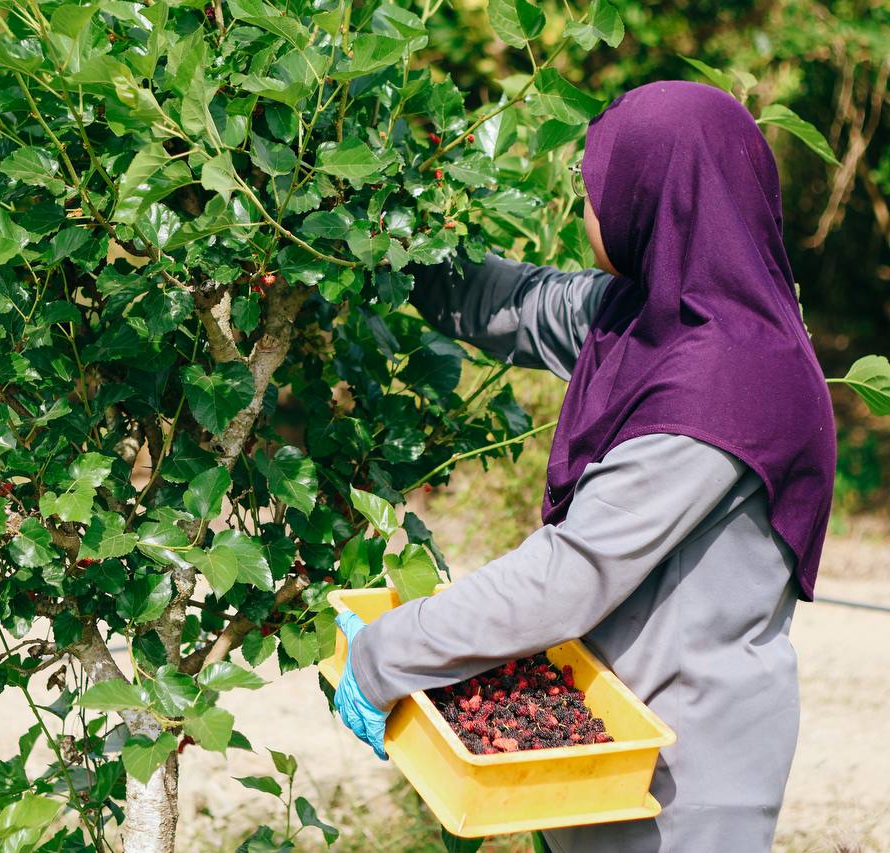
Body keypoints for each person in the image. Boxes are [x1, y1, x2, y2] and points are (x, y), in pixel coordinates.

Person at [331, 80, 837, 852]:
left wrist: (384, 654)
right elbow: (514, 301)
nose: (588, 209)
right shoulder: (653, 319)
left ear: (652, 198)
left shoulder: (729, 385)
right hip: (599, 762)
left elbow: (568, 576)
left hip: (683, 796)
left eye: (600, 190)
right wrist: (371, 224)